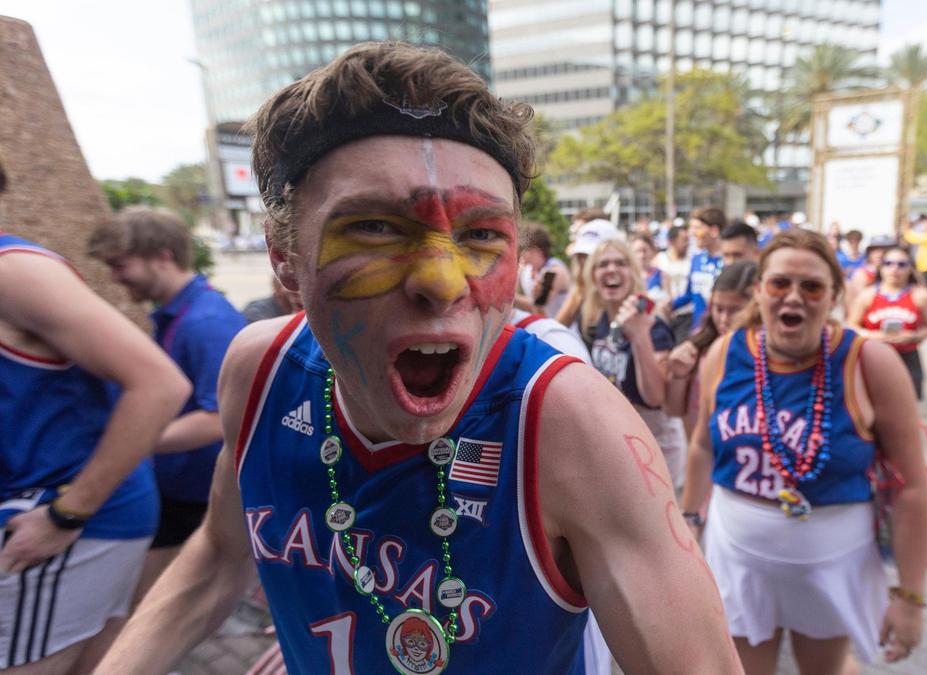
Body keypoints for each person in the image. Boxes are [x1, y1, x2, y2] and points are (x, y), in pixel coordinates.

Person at [98, 42, 741, 675]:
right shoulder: (261, 372)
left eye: (481, 234)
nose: (441, 280)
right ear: (283, 258)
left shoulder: (570, 424)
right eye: (376, 226)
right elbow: (217, 554)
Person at [680, 229, 927, 674]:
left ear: (833, 295)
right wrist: (689, 522)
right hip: (738, 559)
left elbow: (913, 486)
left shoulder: (868, 362)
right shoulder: (724, 352)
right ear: (759, 291)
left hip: (832, 565)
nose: (793, 297)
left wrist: (910, 597)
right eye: (780, 284)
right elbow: (701, 445)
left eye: (811, 286)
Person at [0, 162, 190, 672]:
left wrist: (69, 513)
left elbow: (163, 387)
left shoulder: (14, 271)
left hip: (67, 518)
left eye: (120, 265)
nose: (112, 278)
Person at [87, 207, 248, 603]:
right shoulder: (181, 314)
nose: (114, 277)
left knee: (150, 598)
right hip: (179, 485)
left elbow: (217, 420)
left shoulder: (205, 322)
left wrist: (132, 440)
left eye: (120, 265)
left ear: (162, 256)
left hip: (195, 491)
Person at [582, 238, 684, 485]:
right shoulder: (597, 321)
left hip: (654, 443)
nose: (612, 270)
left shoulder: (652, 324)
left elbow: (655, 396)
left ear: (633, 273)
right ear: (593, 276)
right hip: (618, 441)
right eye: (603, 264)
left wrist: (639, 336)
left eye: (621, 263)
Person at [665, 262, 757, 438]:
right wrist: (679, 374)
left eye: (735, 310)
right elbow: (673, 409)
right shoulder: (700, 344)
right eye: (719, 308)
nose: (724, 319)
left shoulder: (760, 354)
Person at [848, 247, 927, 401]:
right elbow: (851, 325)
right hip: (873, 357)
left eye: (901, 264)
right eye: (888, 263)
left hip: (907, 356)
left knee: (907, 403)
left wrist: (913, 336)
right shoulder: (868, 295)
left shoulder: (920, 295)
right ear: (881, 267)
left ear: (910, 268)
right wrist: (872, 335)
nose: (894, 269)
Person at [671, 206, 726, 330]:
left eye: (697, 228)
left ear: (714, 231)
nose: (691, 233)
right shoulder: (696, 259)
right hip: (698, 331)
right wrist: (668, 305)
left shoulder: (729, 261)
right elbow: (690, 295)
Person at [515, 222, 571, 318]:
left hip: (563, 329)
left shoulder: (555, 271)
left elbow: (538, 304)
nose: (521, 253)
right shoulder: (526, 269)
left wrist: (509, 298)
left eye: (525, 249)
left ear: (538, 250)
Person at [630, 233, 671, 310]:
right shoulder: (629, 277)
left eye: (644, 250)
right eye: (637, 251)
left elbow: (669, 302)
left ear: (652, 251)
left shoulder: (662, 275)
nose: (641, 255)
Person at [902, 216, 927, 288]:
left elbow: (913, 238)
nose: (924, 225)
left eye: (926, 223)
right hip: (926, 267)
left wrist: (905, 229)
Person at [654, 223, 691, 299]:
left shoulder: (692, 260)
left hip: (687, 308)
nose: (687, 244)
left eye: (688, 240)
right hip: (666, 307)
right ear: (672, 241)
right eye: (684, 240)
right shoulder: (660, 259)